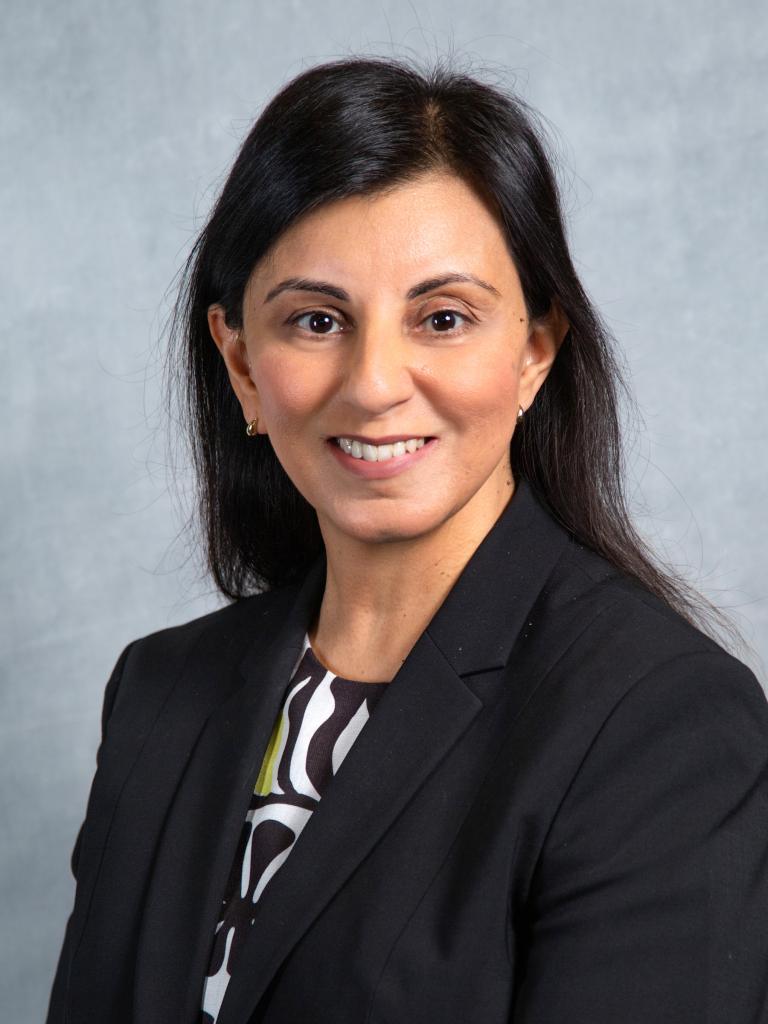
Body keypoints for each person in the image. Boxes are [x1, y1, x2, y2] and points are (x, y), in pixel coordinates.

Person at [47, 56, 768, 1024]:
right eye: (316, 320)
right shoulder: (158, 694)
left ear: (534, 351)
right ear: (242, 364)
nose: (375, 383)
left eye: (442, 318)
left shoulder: (662, 724)